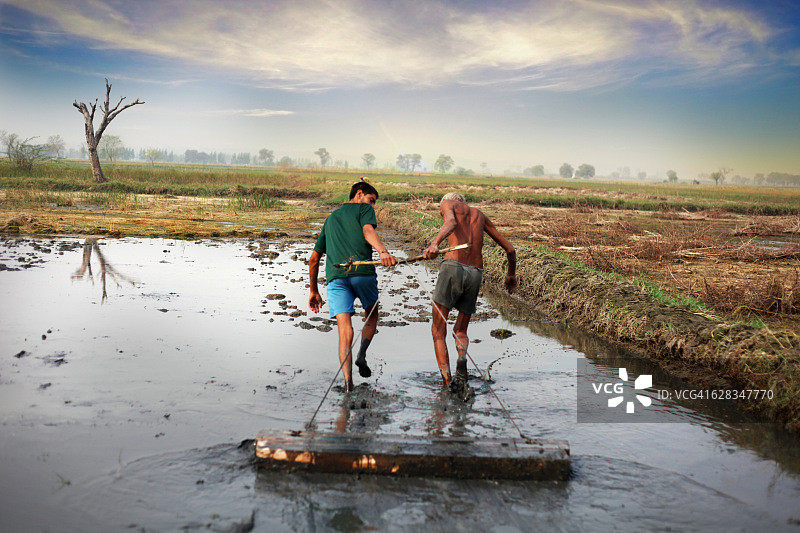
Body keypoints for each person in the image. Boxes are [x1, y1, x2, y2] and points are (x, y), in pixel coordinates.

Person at [308, 181, 398, 392]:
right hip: (362, 274)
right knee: (372, 313)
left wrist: (314, 291)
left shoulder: (330, 219)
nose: (372, 206)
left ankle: (348, 384)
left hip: (336, 279)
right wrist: (383, 252)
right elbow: (368, 231)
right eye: (371, 200)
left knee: (344, 331)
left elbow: (314, 259)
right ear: (359, 194)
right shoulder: (363, 209)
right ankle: (362, 354)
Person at [423, 192, 517, 387]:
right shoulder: (480, 215)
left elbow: (451, 224)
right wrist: (510, 274)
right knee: (461, 330)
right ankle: (462, 358)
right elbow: (510, 249)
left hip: (453, 266)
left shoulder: (448, 203)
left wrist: (434, 244)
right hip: (475, 272)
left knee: (438, 330)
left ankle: (447, 382)